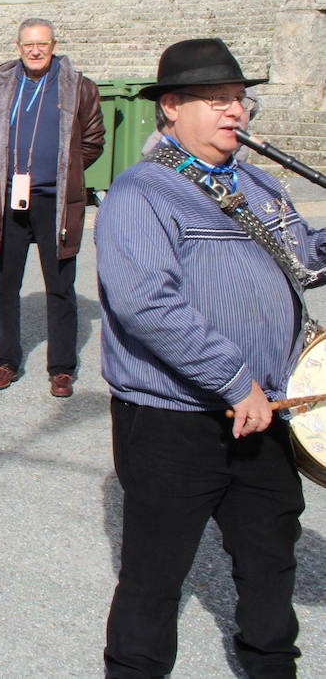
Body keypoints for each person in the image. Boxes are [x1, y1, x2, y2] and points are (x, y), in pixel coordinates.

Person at [98, 38, 315, 679]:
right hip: (173, 421)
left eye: (239, 99)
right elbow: (146, 305)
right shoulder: (143, 192)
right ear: (171, 108)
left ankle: (272, 668)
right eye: (215, 100)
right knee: (154, 574)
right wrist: (232, 378)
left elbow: (302, 257)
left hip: (266, 409)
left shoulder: (259, 183)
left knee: (271, 557)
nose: (234, 113)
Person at [0, 18, 104, 398]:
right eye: (28, 45)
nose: (35, 51)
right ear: (18, 47)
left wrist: (64, 171)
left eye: (42, 45)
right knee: (4, 285)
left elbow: (94, 140)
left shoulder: (79, 87)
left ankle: (62, 369)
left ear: (53, 46)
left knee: (61, 286)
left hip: (56, 202)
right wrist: (7, 173)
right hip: (9, 201)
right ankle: (6, 361)